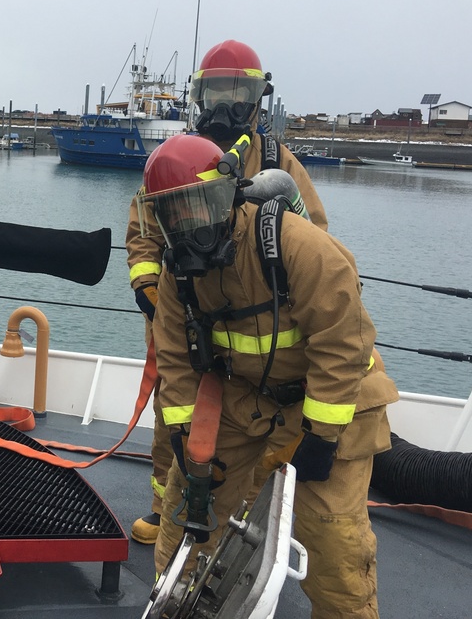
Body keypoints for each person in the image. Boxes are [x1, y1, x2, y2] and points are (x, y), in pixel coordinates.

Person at [143, 133, 398, 618]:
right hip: (243, 401)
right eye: (173, 213)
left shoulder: (296, 246)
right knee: (190, 510)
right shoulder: (178, 277)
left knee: (331, 537)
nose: (187, 225)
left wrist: (322, 436)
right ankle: (175, 608)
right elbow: (174, 359)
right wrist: (181, 433)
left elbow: (343, 343)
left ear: (228, 194)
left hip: (333, 403)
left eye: (198, 207)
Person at [126, 40, 328, 544]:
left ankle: (246, 520)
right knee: (173, 414)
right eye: (215, 92)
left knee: (251, 432)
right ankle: (163, 504)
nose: (225, 106)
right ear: (198, 97)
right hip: (189, 317)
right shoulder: (178, 161)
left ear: (260, 97)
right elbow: (145, 234)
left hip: (260, 327)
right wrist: (157, 299)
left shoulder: (281, 163)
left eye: (238, 92)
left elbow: (318, 244)